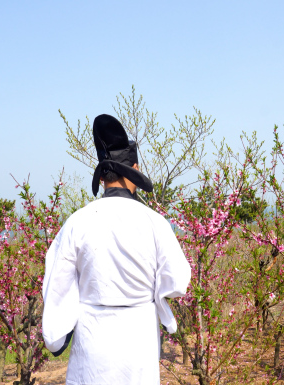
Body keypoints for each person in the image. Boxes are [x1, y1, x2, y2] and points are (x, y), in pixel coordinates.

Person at [41, 114, 192, 385]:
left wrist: (55, 337)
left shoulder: (77, 221)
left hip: (92, 338)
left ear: (101, 178)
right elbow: (178, 280)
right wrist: (153, 295)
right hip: (139, 336)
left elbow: (57, 283)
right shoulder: (154, 222)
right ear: (134, 169)